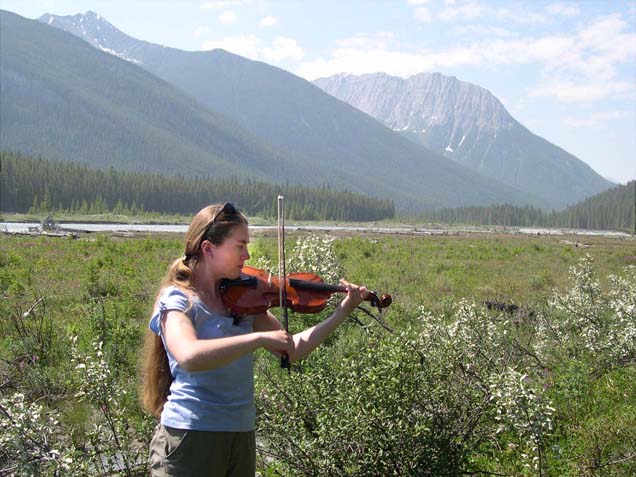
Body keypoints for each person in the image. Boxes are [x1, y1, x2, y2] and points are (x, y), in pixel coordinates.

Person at [141, 202, 369, 476]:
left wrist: (342, 312)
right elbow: (189, 355)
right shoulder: (178, 299)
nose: (247, 255)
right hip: (192, 435)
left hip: (241, 434)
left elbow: (292, 348)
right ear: (209, 249)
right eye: (240, 246)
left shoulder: (243, 299)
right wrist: (258, 339)